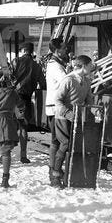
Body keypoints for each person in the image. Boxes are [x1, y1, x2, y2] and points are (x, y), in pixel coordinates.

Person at [51, 55, 95, 188]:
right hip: (63, 118)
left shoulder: (87, 81)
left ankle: (70, 176)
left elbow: (89, 100)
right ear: (84, 66)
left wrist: (94, 110)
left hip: (77, 118)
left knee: (74, 147)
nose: (92, 67)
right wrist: (67, 113)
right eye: (90, 65)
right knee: (65, 144)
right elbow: (57, 100)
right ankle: (55, 176)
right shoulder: (68, 80)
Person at [12, 42, 46, 163]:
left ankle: (4, 155)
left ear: (23, 50)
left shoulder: (16, 61)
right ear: (31, 52)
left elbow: (7, 77)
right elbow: (43, 84)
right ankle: (23, 155)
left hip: (12, 97)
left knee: (10, 126)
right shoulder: (37, 66)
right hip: (25, 99)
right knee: (23, 127)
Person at [45, 37, 71, 175]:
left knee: (56, 140)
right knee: (58, 140)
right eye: (64, 48)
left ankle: (53, 167)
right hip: (56, 108)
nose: (66, 49)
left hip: (54, 107)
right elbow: (66, 81)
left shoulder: (56, 63)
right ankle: (54, 168)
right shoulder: (56, 66)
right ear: (57, 50)